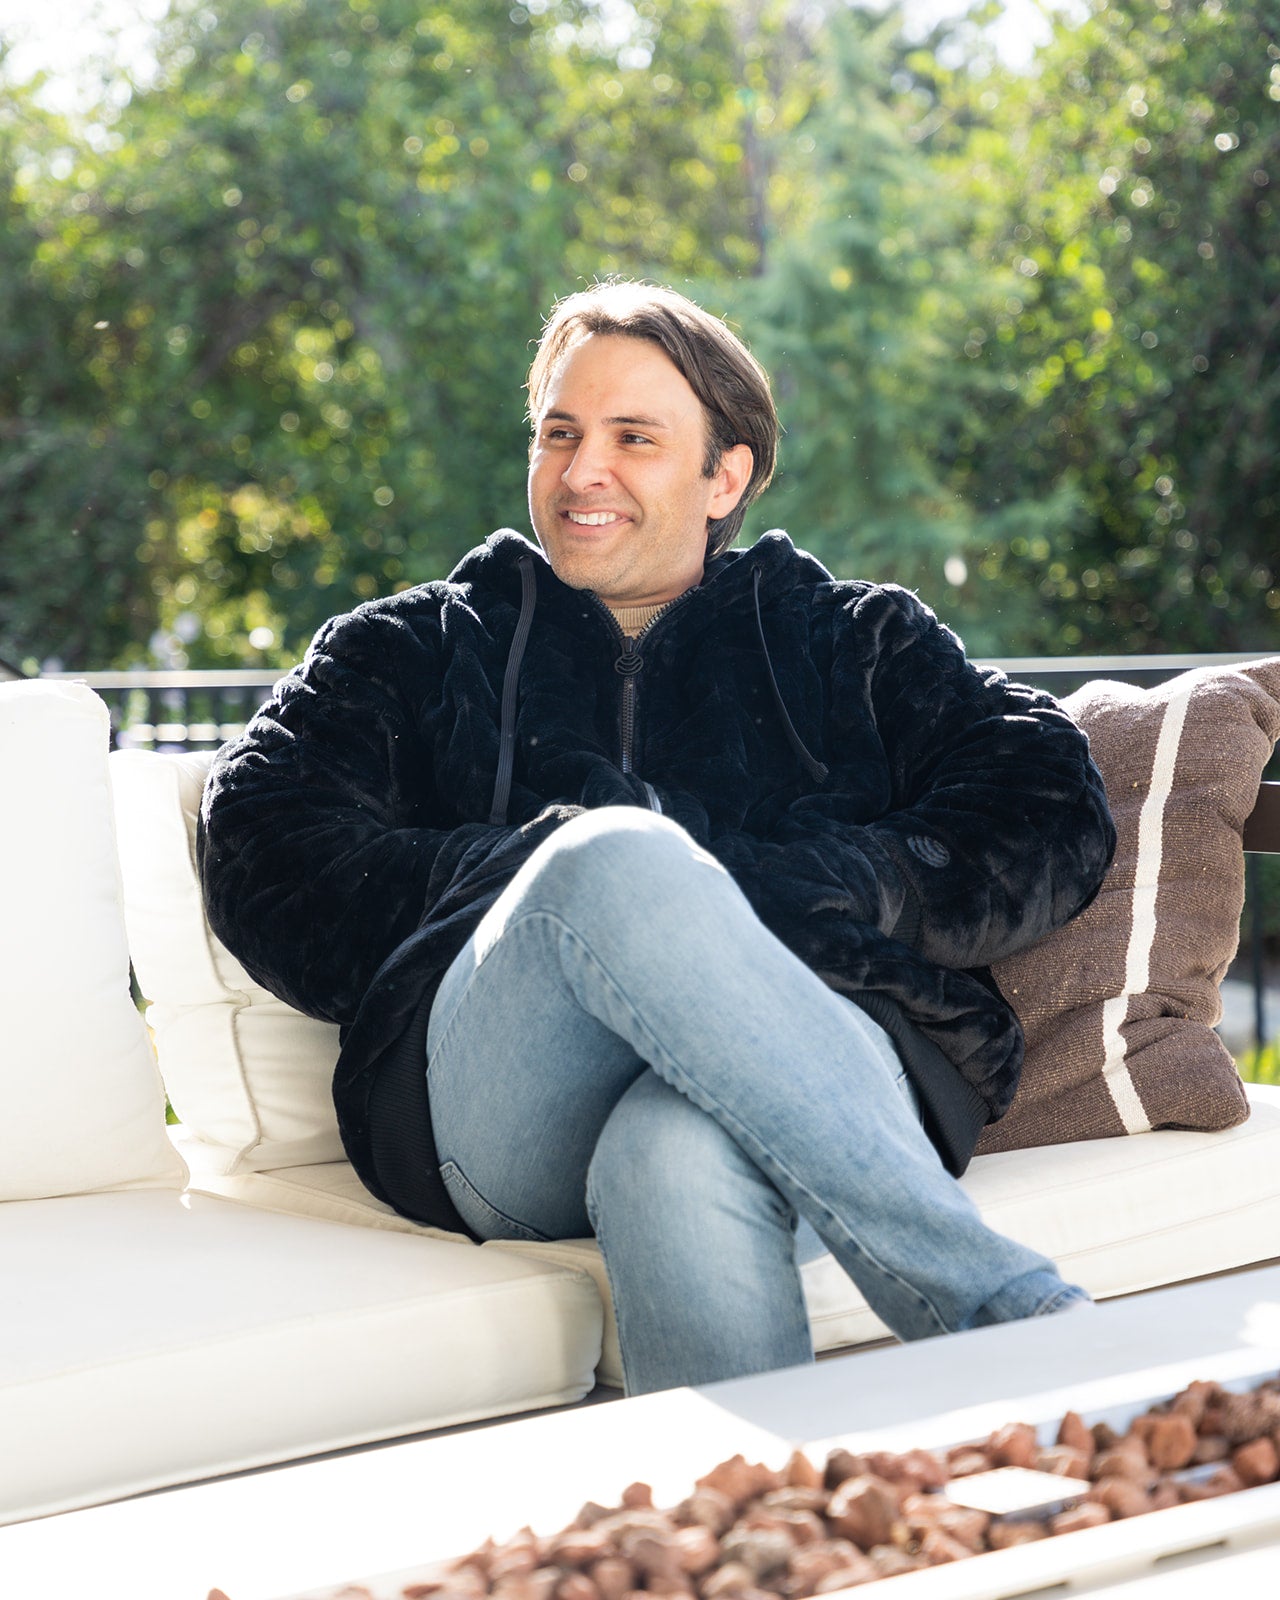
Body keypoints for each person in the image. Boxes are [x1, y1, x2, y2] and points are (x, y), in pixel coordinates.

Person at [199, 280, 1116, 1395]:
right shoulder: (410, 649)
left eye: (633, 438)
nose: (582, 470)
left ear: (724, 477)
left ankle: (743, 1503)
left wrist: (843, 882)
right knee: (608, 855)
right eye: (559, 434)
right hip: (508, 1107)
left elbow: (1043, 796)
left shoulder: (853, 639)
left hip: (827, 1053)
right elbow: (265, 841)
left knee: (674, 1148)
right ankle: (1016, 1319)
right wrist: (535, 879)